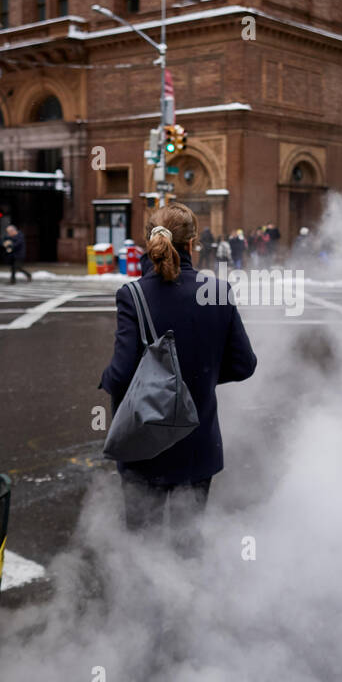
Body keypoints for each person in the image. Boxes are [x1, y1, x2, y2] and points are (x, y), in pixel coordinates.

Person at [99, 202, 257, 538]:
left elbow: (122, 374)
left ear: (147, 241)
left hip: (145, 449)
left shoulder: (133, 295)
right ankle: (188, 593)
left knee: (144, 548)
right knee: (188, 546)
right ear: (192, 243)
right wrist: (201, 375)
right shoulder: (217, 291)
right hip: (199, 446)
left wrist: (106, 379)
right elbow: (244, 365)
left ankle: (145, 593)